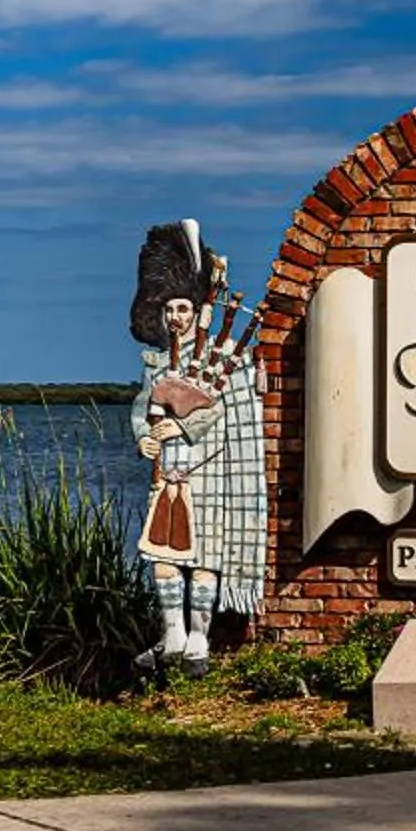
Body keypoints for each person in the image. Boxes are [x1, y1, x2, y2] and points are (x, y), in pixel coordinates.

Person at [129, 221, 267, 675]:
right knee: (163, 556)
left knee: (205, 554)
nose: (176, 318)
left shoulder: (220, 354)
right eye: (170, 309)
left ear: (195, 311)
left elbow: (223, 411)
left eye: (184, 309)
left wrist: (185, 428)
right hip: (166, 472)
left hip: (206, 468)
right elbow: (142, 406)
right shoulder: (156, 362)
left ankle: (199, 641)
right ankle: (171, 633)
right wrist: (145, 437)